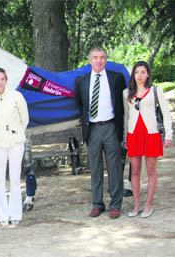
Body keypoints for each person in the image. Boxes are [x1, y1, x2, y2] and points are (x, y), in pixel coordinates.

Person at [75, 47, 126, 219]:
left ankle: (115, 204)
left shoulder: (116, 78)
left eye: (102, 57)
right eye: (95, 58)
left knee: (114, 168)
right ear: (89, 60)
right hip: (92, 129)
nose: (98, 61)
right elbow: (80, 105)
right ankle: (97, 204)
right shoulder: (81, 81)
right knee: (95, 168)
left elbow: (122, 105)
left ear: (106, 60)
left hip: (111, 127)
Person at [122, 61, 173, 218]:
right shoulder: (127, 93)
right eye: (137, 72)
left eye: (143, 72)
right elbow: (126, 117)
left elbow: (166, 113)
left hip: (151, 133)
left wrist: (169, 134)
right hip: (134, 134)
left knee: (151, 171)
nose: (140, 75)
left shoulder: (155, 91)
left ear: (148, 74)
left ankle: (148, 205)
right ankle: (136, 205)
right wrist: (125, 137)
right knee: (135, 171)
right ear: (133, 75)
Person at [0, 67, 29, 227]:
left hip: (16, 142)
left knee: (15, 179)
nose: (0, 82)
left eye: (2, 79)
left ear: (6, 80)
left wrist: (16, 133)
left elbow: (25, 119)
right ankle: (2, 215)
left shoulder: (17, 96)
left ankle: (15, 214)